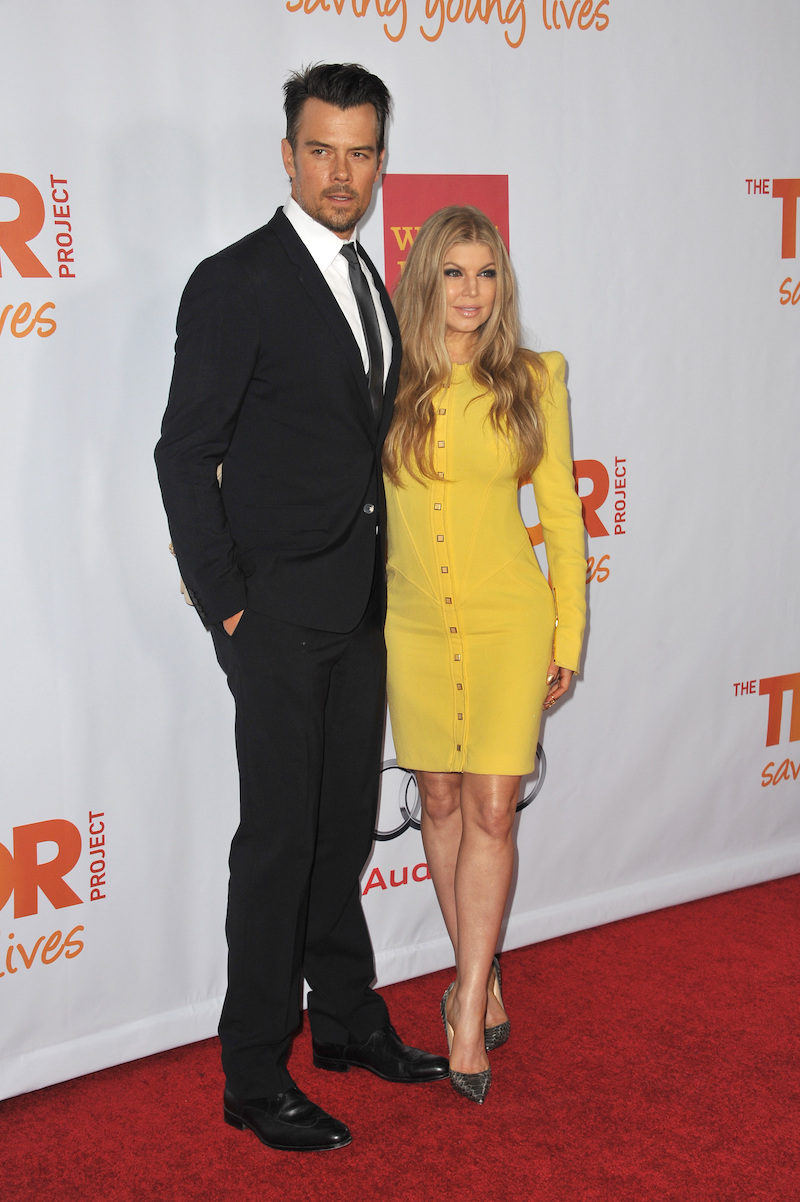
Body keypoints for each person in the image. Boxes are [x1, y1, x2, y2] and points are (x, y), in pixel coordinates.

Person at [155, 63, 448, 1154]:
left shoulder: (371, 275)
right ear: (287, 154)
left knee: (335, 832)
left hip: (362, 606)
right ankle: (250, 1070)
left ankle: (345, 1018)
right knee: (277, 842)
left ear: (379, 160)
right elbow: (184, 453)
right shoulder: (235, 279)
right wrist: (230, 610)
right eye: (320, 149)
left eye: (360, 151)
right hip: (276, 617)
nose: (341, 171)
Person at [382, 205, 586, 1104]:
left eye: (487, 273)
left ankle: (466, 1002)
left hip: (511, 623)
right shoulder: (385, 378)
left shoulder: (536, 378)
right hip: (413, 625)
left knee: (494, 809)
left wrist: (569, 637)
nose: (472, 292)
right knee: (438, 797)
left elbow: (566, 521)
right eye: (455, 273)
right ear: (426, 278)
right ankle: (483, 965)